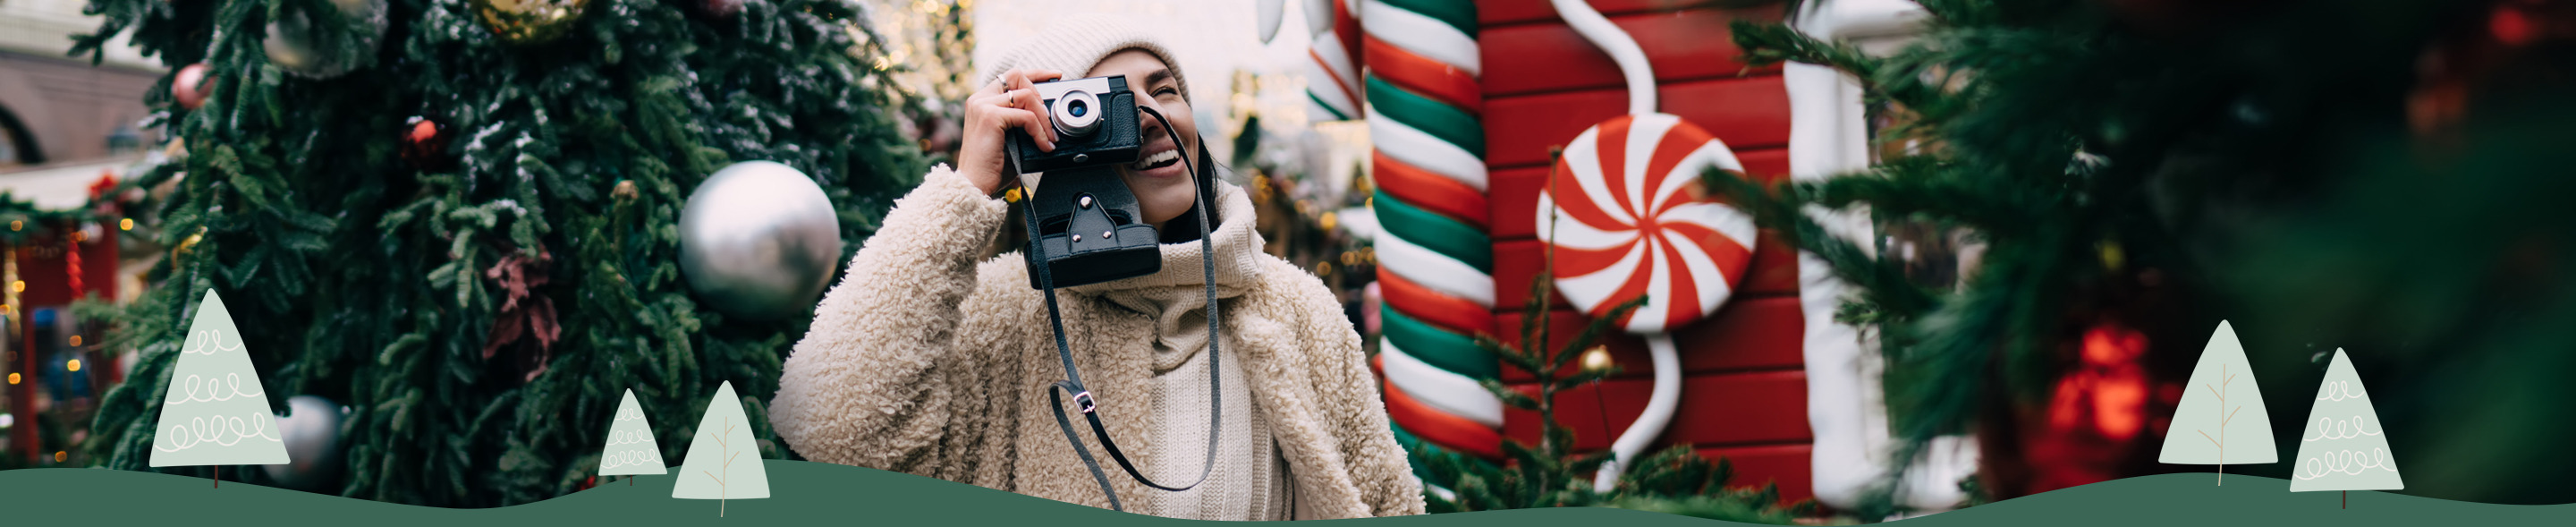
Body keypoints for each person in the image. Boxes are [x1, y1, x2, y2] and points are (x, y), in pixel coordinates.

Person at [767, 16, 1424, 520]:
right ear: (1046, 145)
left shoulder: (1292, 308)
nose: (1151, 118)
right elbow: (831, 425)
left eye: (1164, 91)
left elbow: (1386, 501)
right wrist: (964, 192)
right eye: (1101, 104)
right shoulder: (1002, 315)